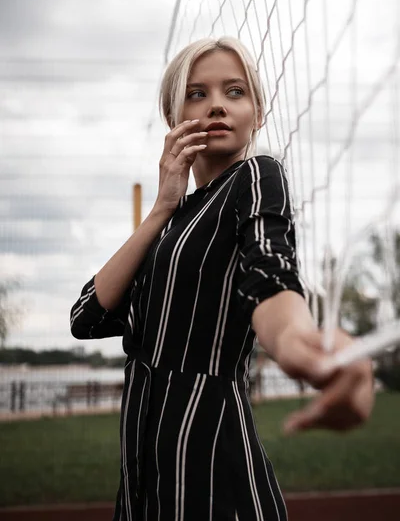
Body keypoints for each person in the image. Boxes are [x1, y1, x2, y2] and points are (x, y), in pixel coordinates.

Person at [70, 37, 374, 520]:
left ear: (258, 112)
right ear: (174, 118)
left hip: (210, 462)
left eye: (235, 92)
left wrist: (302, 346)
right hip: (144, 472)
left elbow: (270, 273)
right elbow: (87, 317)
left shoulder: (256, 175)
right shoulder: (172, 223)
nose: (216, 105)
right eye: (196, 93)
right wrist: (160, 209)